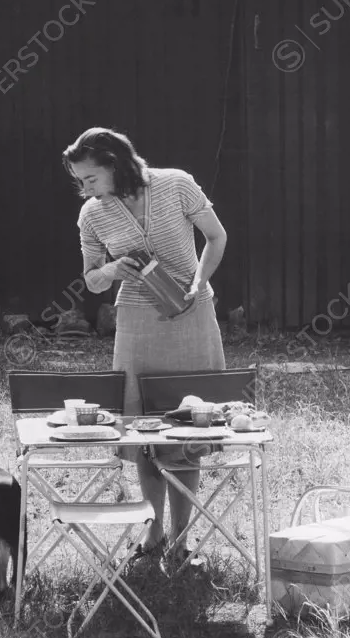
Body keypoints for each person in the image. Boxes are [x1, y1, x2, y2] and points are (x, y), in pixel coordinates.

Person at [62, 127, 228, 560]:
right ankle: (153, 530)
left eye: (90, 179)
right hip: (136, 321)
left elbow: (216, 237)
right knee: (142, 428)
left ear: (114, 165)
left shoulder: (176, 183)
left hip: (193, 314)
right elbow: (92, 279)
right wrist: (113, 269)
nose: (83, 190)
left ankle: (182, 536)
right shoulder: (93, 215)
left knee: (189, 425)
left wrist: (198, 284)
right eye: (78, 182)